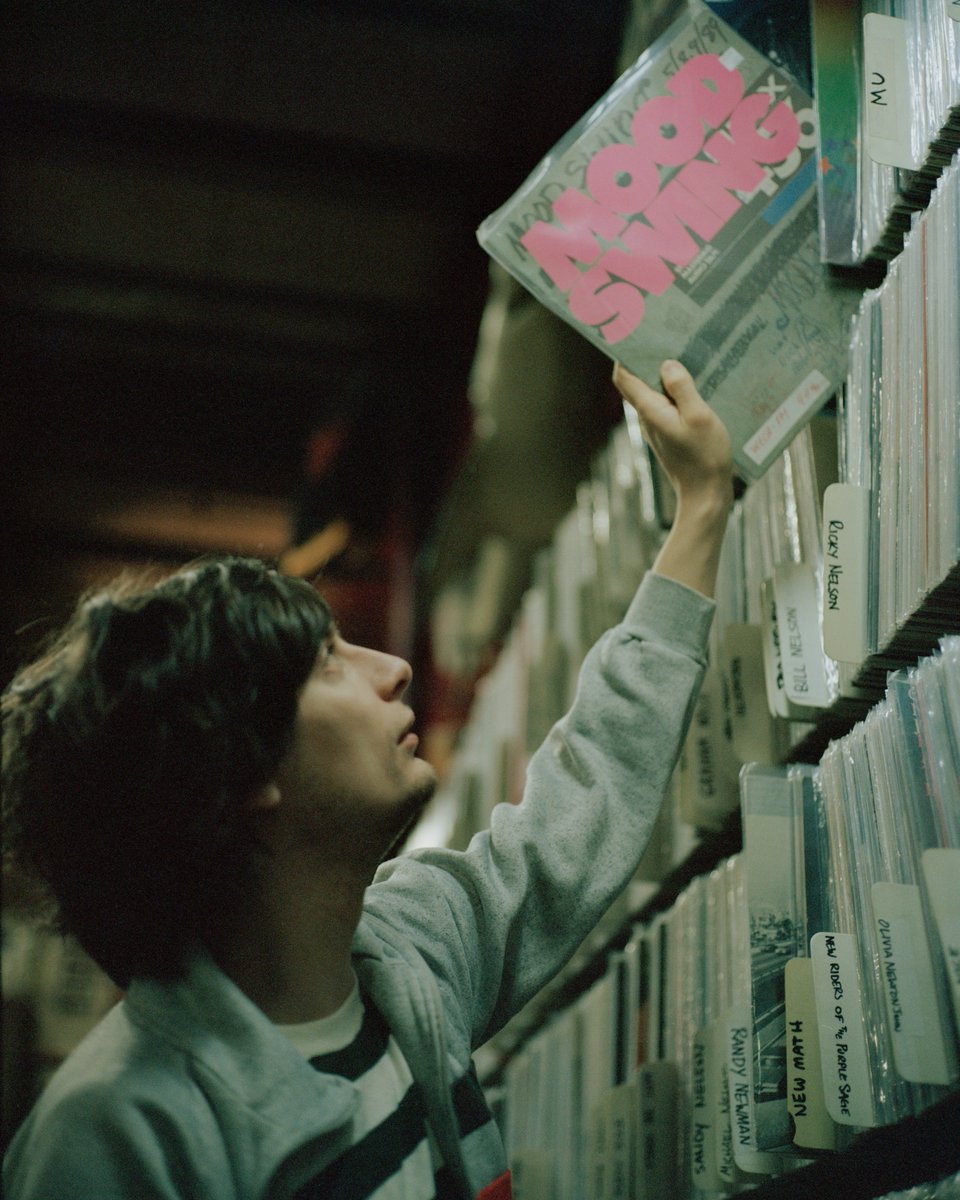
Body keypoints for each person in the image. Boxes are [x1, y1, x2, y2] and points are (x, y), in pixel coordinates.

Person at [2, 360, 734, 1200]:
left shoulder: (410, 958)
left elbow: (586, 796)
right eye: (327, 663)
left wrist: (702, 506)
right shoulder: (116, 1135)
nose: (392, 669)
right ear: (242, 770)